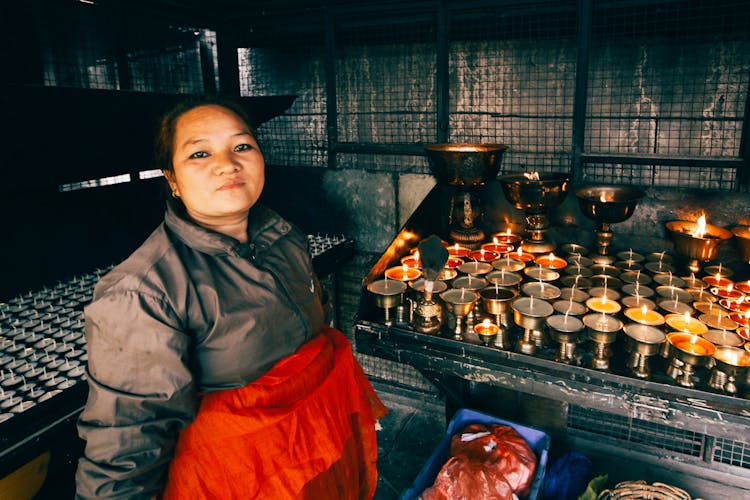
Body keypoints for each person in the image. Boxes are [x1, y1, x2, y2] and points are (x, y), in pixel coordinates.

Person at [75, 97, 387, 499]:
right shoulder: (143, 293)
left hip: (315, 452)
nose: (227, 164)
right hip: (241, 480)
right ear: (171, 179)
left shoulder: (284, 236)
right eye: (200, 153)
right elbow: (125, 447)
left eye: (242, 146)